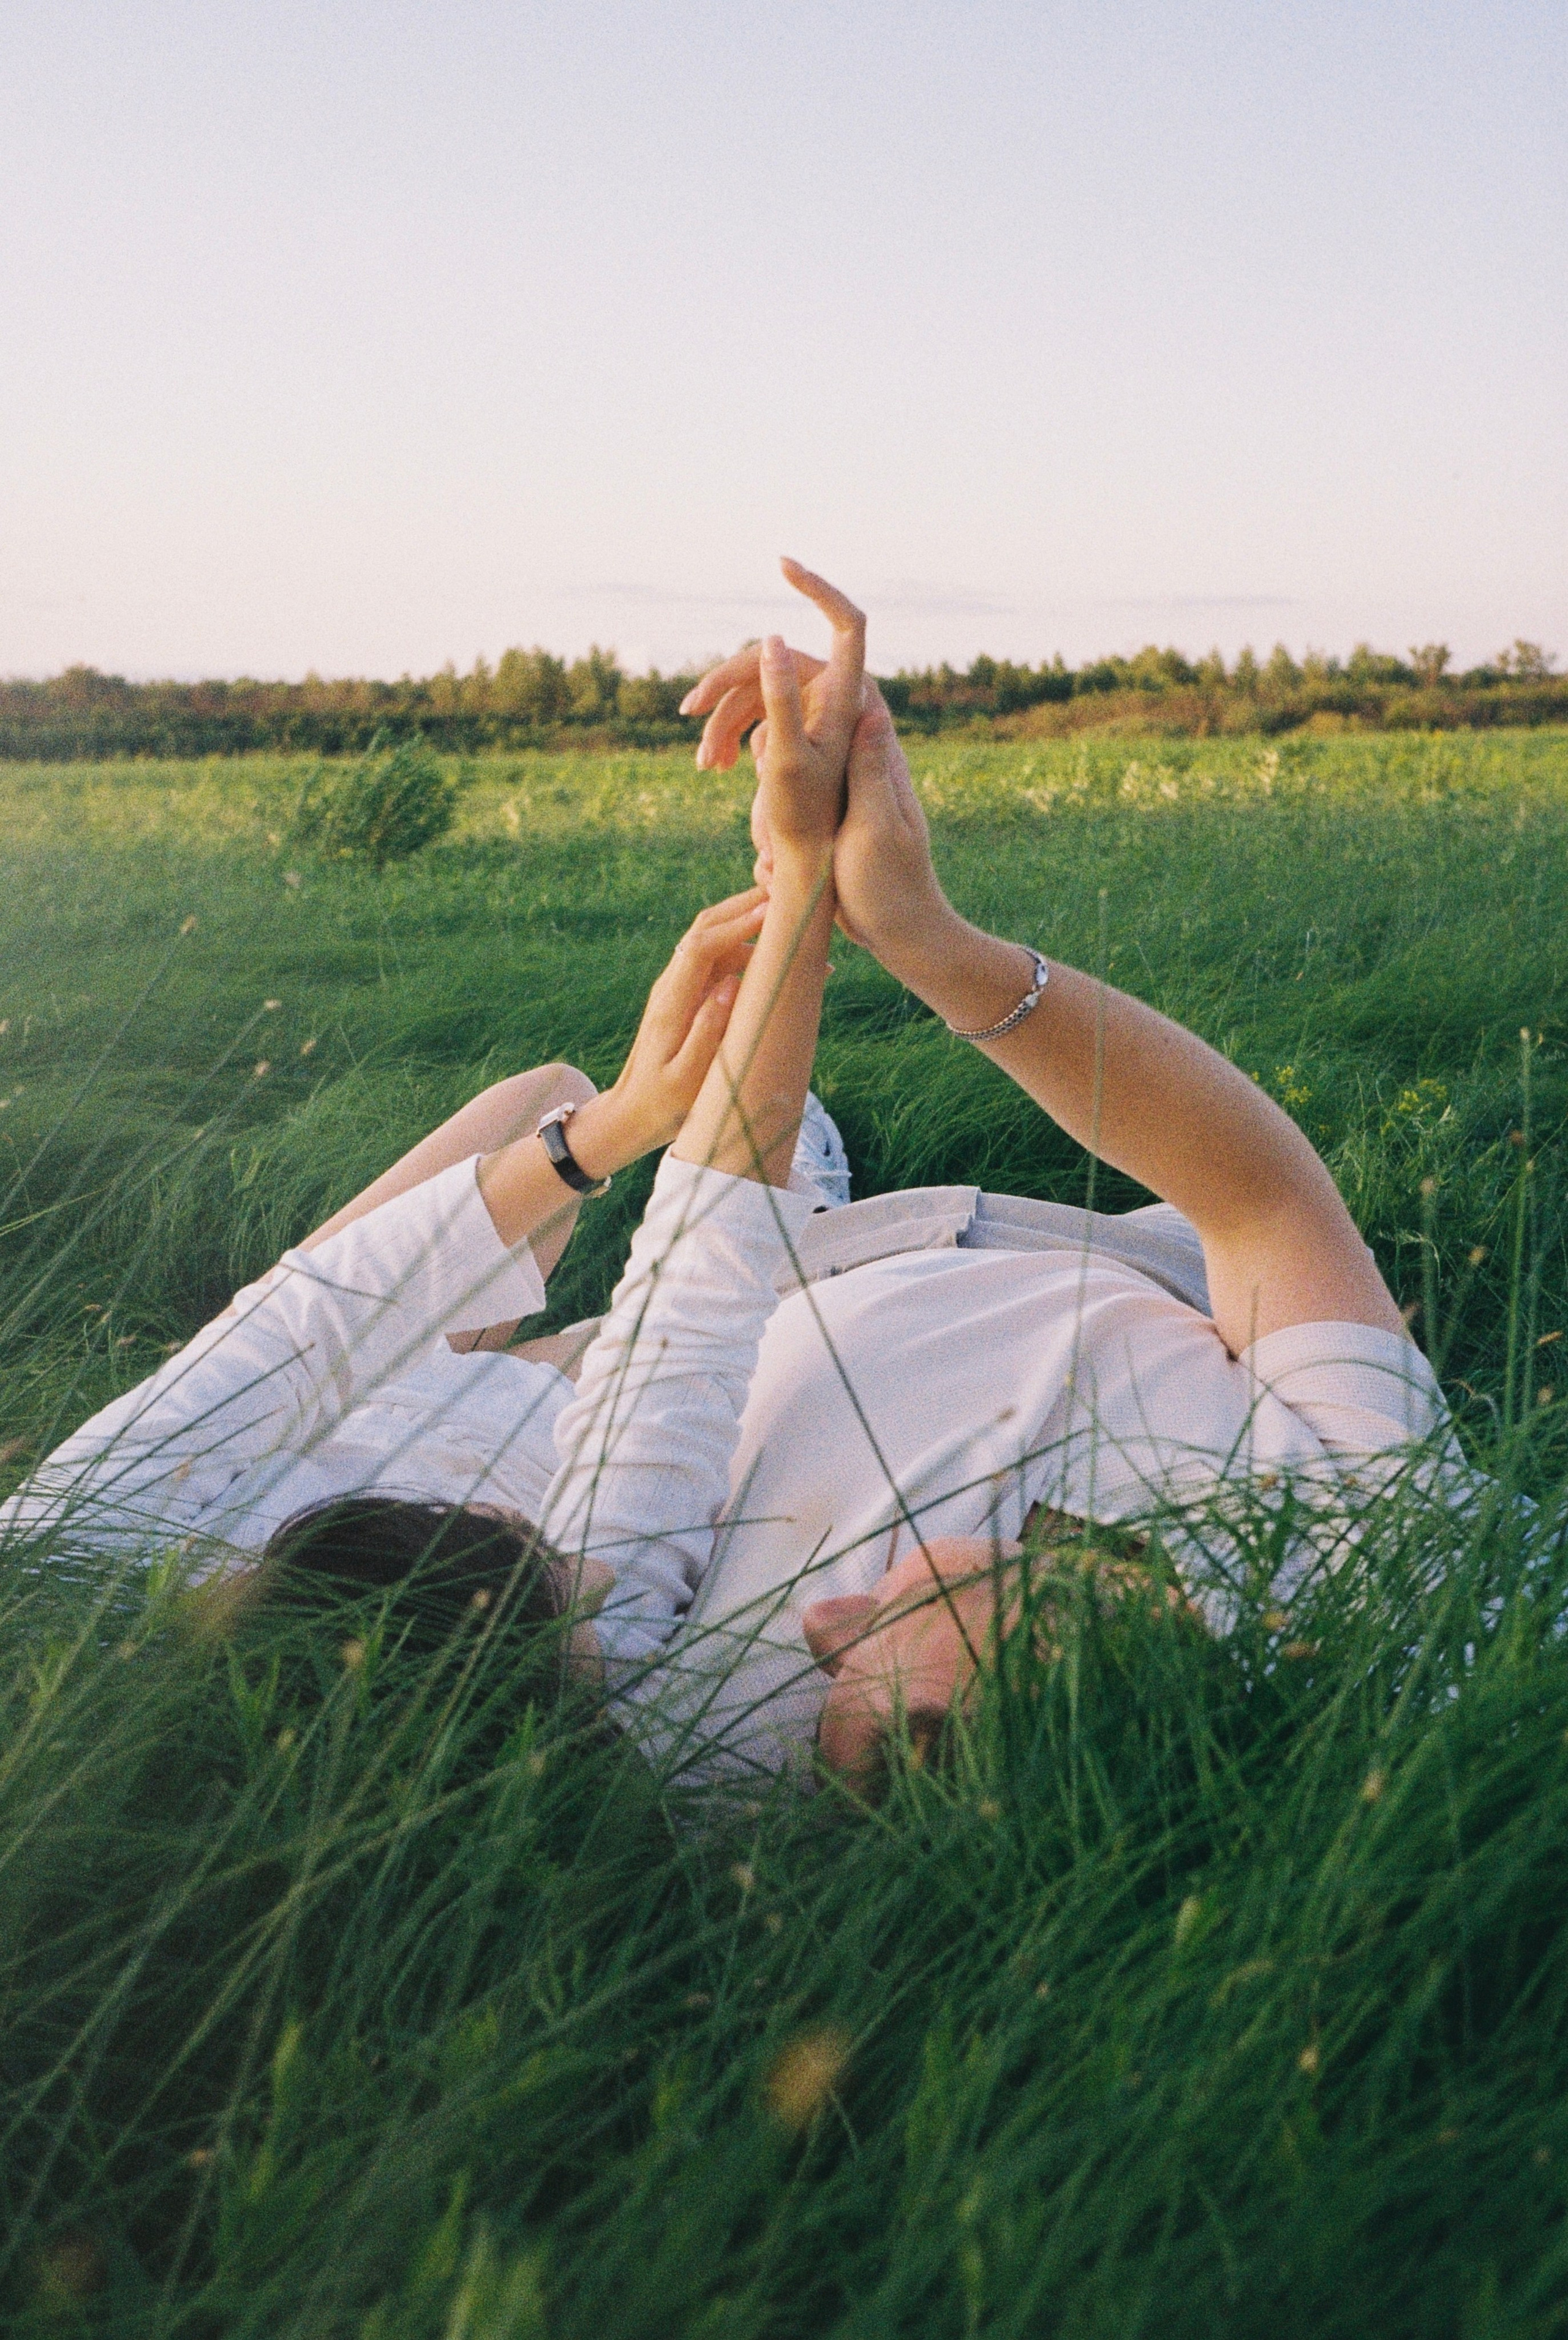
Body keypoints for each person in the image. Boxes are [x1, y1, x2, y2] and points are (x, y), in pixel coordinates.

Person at [1, 563, 1454, 1792]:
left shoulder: (80, 1546)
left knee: (546, 1132)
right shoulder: (1389, 1589)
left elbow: (391, 1337)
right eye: (886, 1675)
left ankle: (745, 1164)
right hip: (817, 1310)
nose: (827, 1625)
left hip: (654, 1364)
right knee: (640, 1214)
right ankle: (771, 1165)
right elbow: (1261, 1198)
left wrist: (645, 1104)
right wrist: (891, 935)